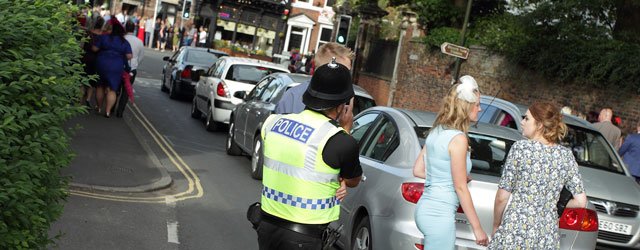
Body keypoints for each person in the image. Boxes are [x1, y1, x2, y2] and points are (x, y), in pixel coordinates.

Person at [257, 61, 363, 250]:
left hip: (266, 227)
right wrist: (345, 128)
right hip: (305, 237)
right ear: (343, 105)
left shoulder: (273, 123)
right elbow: (353, 180)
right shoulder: (340, 141)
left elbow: (295, 154)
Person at [489, 102, 587, 249]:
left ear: (540, 125)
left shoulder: (520, 149)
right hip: (546, 235)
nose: (522, 122)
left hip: (515, 230)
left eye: (527, 119)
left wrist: (496, 225)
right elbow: (581, 202)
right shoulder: (566, 156)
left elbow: (502, 197)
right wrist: (553, 204)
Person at [412, 75, 488, 249]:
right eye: (477, 104)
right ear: (466, 106)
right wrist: (477, 229)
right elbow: (460, 187)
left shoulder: (437, 131)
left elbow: (417, 169)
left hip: (425, 208)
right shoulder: (458, 139)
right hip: (440, 214)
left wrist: (451, 176)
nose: (480, 109)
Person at [275, 42, 353, 115]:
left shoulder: (291, 95)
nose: (348, 77)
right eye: (344, 72)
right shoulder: (292, 97)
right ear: (327, 70)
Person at [92, 19, 133, 118]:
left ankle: (99, 107)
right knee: (112, 89)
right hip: (116, 66)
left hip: (102, 63)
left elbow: (94, 49)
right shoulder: (124, 41)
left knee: (100, 86)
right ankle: (107, 111)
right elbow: (129, 56)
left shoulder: (103, 37)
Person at [114, 20, 144, 118]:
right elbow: (141, 57)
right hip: (131, 69)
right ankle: (120, 112)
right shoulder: (139, 42)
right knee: (126, 91)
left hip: (119, 66)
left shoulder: (121, 39)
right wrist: (135, 64)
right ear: (134, 29)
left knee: (116, 89)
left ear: (125, 28)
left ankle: (111, 108)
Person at [80, 16, 104, 109]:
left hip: (85, 57)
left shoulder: (87, 33)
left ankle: (80, 100)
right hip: (96, 59)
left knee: (82, 80)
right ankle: (88, 99)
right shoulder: (102, 36)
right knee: (91, 82)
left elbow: (81, 46)